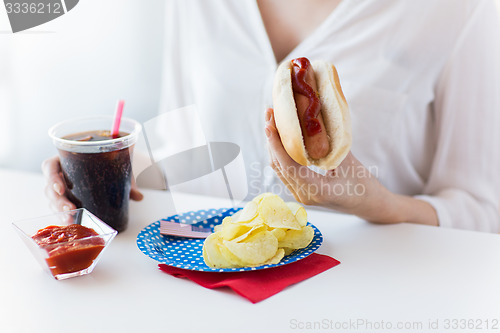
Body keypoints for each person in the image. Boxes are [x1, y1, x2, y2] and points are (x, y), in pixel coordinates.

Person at [43, 0, 500, 232]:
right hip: (208, 294)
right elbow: (183, 148)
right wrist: (106, 169)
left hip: (376, 299)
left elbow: (484, 210)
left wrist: (375, 204)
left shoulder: (460, 10)